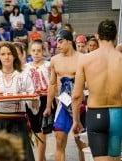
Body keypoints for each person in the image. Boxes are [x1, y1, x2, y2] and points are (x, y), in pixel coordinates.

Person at [72, 19, 122, 161]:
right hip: (117, 114)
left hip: (96, 113)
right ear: (116, 36)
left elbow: (76, 95)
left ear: (97, 36)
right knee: (115, 159)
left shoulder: (85, 59)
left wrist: (76, 120)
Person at [0, 42, 40, 161]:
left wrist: (35, 100)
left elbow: (34, 106)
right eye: (3, 54)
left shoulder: (24, 75)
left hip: (18, 122)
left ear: (14, 56)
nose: (6, 57)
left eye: (9, 54)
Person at [43, 30, 84, 161]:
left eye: (60, 41)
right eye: (57, 42)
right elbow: (52, 84)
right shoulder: (55, 60)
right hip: (63, 103)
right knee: (59, 141)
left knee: (82, 143)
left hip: (80, 104)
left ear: (69, 41)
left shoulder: (82, 58)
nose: (57, 45)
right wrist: (48, 107)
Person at [25, 39, 50, 161]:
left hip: (44, 100)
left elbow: (53, 84)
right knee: (34, 133)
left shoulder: (48, 65)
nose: (36, 53)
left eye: (39, 51)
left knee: (42, 132)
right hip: (30, 101)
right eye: (34, 50)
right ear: (30, 52)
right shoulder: (26, 67)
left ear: (43, 52)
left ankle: (39, 159)